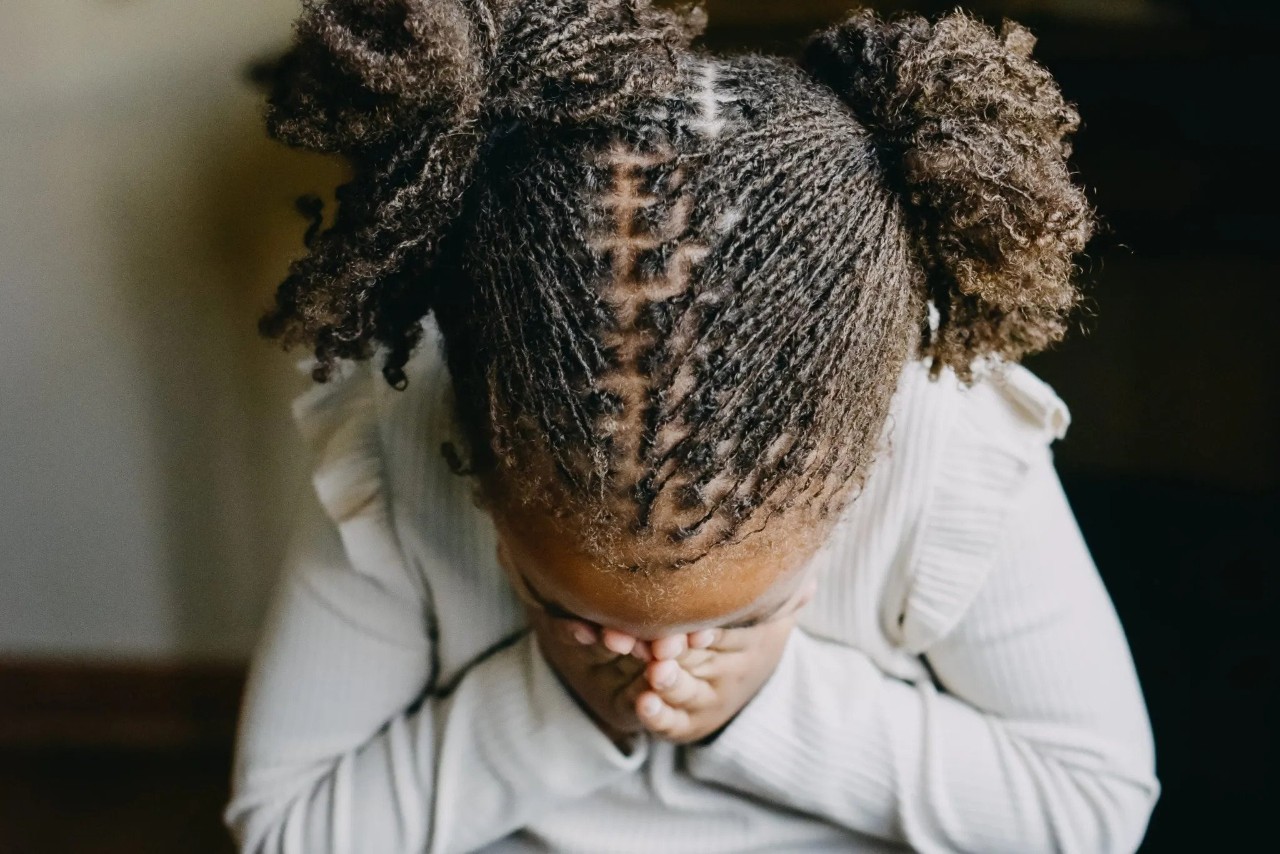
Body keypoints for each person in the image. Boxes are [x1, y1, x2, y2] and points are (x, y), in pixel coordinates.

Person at [223, 2, 1159, 851]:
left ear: (868, 459)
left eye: (740, 617)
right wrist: (561, 701)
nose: (660, 666)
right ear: (467, 436)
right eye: (575, 614)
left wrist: (764, 698)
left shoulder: (950, 442)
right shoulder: (398, 442)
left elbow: (1092, 809)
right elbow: (288, 827)